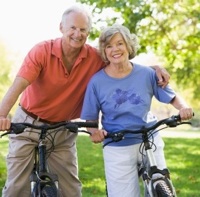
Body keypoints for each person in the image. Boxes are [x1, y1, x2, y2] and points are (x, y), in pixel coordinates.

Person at [0, 4, 170, 197]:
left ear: (88, 32)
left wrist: (153, 68)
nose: (77, 34)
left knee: (71, 189)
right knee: (16, 187)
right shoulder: (42, 51)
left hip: (63, 130)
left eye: (83, 30)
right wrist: (2, 114)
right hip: (28, 124)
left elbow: (122, 61)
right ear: (61, 28)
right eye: (72, 28)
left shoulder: (94, 57)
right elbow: (18, 85)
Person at [80, 24, 193, 197]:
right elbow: (90, 118)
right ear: (104, 52)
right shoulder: (96, 82)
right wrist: (94, 132)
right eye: (109, 46)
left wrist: (184, 108)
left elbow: (171, 97)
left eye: (120, 43)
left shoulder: (147, 74)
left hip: (149, 138)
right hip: (117, 144)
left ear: (128, 46)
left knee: (162, 187)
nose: (115, 49)